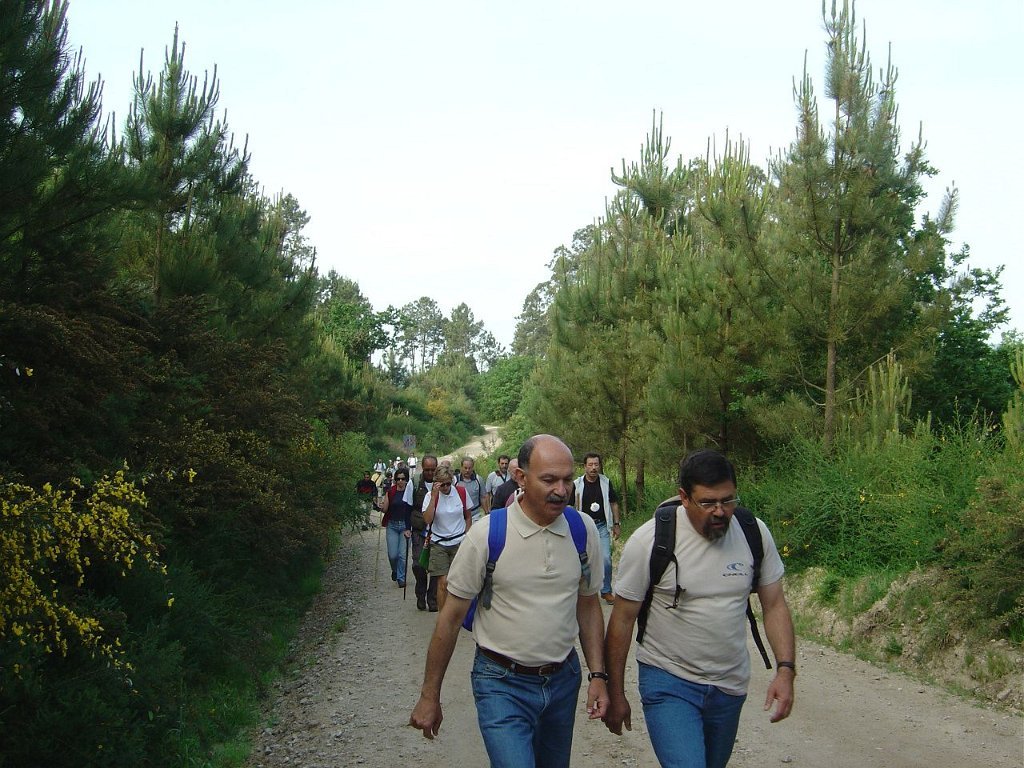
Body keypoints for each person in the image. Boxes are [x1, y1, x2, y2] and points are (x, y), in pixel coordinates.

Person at [409, 435, 608, 768]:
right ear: (521, 477)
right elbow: (450, 618)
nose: (561, 490)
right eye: (549, 480)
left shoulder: (582, 529)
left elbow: (588, 606)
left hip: (563, 681)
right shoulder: (487, 535)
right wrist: (430, 696)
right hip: (501, 683)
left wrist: (598, 675)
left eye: (566, 479)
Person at [603, 449, 796, 768]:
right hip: (668, 680)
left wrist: (785, 670)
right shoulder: (650, 541)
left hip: (729, 686)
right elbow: (622, 620)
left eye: (728, 500)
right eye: (708, 503)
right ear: (684, 497)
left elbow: (774, 604)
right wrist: (616, 692)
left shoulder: (753, 532)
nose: (720, 511)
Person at [421, 465, 472, 615]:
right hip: (439, 543)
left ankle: (458, 614)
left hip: (459, 541)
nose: (445, 487)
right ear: (436, 483)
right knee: (442, 582)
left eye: (448, 484)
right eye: (442, 484)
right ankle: (444, 617)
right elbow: (427, 520)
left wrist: (468, 535)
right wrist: (434, 497)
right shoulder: (430, 496)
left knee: (458, 582)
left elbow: (468, 515)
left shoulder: (461, 492)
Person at [573, 453, 621, 604]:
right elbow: (568, 506)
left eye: (596, 464)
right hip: (583, 526)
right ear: (584, 466)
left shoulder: (606, 483)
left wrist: (616, 524)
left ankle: (606, 591)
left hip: (601, 526)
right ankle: (582, 592)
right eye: (590, 465)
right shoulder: (577, 484)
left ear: (599, 466)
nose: (593, 468)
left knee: (606, 559)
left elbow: (614, 503)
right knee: (581, 560)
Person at [409, 454, 440, 611]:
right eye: (427, 469)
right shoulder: (414, 483)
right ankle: (420, 593)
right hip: (419, 530)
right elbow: (408, 506)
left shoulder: (442, 483)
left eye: (433, 469)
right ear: (422, 468)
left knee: (436, 566)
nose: (430, 473)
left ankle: (432, 598)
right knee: (418, 565)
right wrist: (406, 528)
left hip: (438, 531)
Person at [379, 469, 413, 587]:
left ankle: (401, 578)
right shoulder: (391, 492)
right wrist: (380, 506)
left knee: (402, 555)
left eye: (403, 479)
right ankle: (395, 570)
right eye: (398, 479)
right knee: (392, 555)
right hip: (392, 525)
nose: (400, 481)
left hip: (405, 526)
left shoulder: (410, 492)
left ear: (406, 480)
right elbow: (385, 509)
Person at [455, 456, 485, 522]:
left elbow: (483, 497)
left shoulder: (479, 480)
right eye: (465, 468)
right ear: (461, 467)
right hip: (459, 516)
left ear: (472, 468)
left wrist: (486, 512)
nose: (467, 470)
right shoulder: (455, 481)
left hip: (475, 515)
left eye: (469, 468)